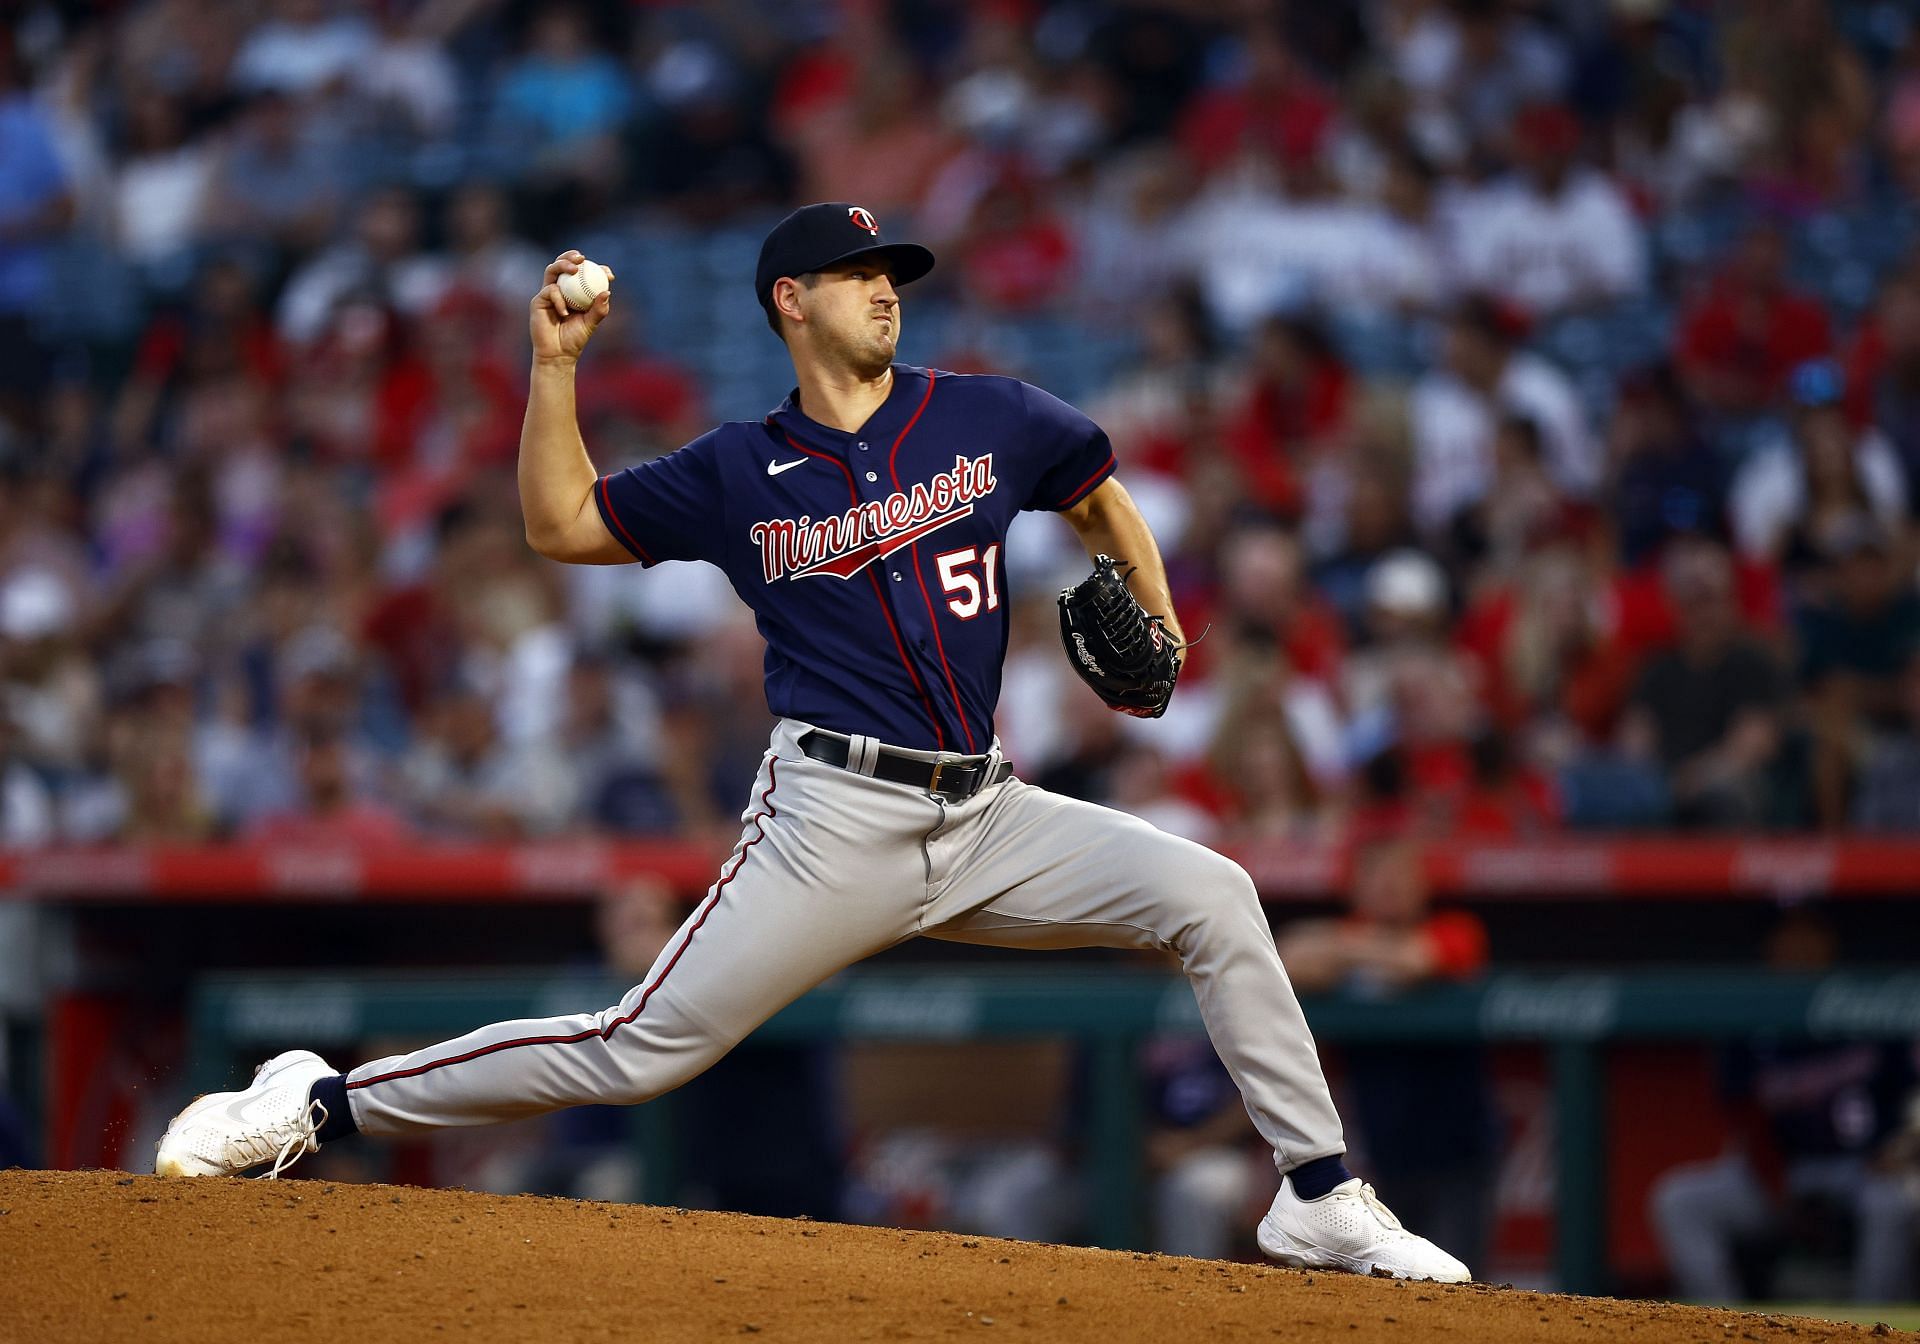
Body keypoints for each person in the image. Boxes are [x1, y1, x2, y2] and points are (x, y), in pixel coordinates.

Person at [154, 203, 1468, 1282]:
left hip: (990, 810)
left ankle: (1320, 1196)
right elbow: (558, 525)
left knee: (1216, 894)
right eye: (854, 275)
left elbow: (1098, 484)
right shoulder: (739, 468)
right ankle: (323, 1104)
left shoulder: (985, 415)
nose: (884, 291)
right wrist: (555, 366)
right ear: (792, 301)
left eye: (891, 273)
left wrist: (1165, 620)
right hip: (832, 815)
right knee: (637, 1046)